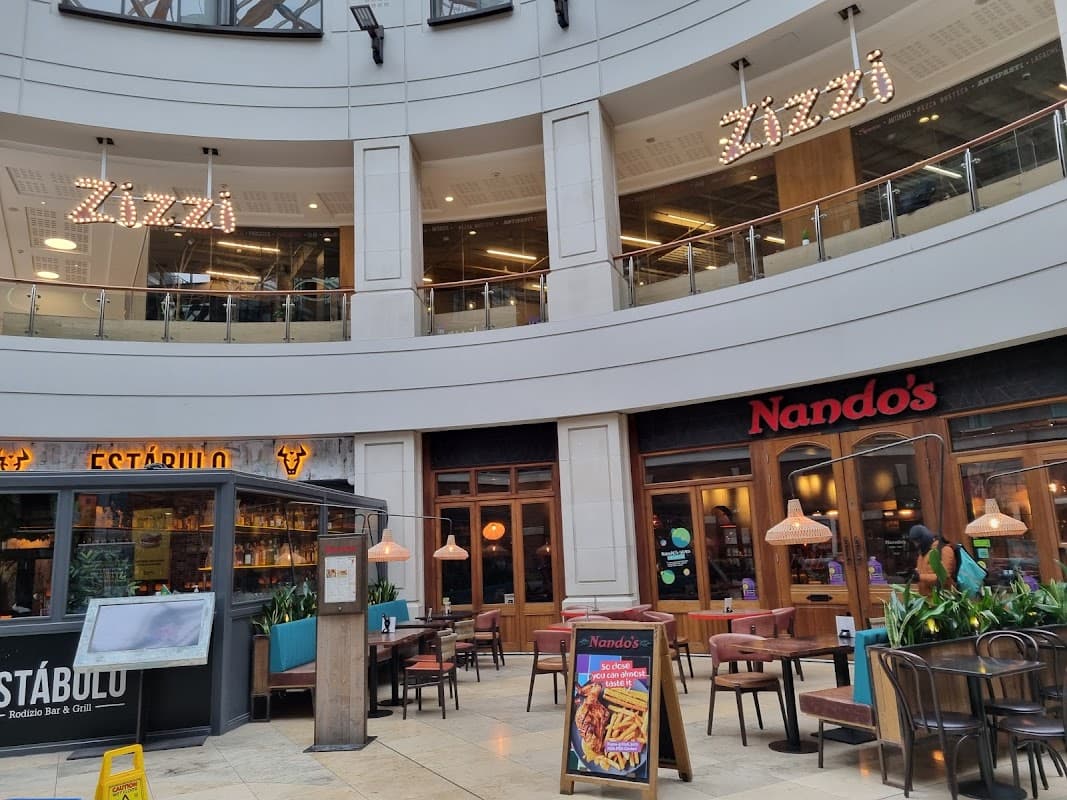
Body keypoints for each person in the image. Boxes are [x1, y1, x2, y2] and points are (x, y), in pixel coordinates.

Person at [908, 524, 955, 594]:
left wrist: (920, 577)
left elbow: (944, 578)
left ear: (923, 539)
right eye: (914, 542)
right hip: (926, 599)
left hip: (942, 599)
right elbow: (922, 572)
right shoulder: (922, 555)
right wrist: (914, 574)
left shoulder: (944, 550)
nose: (916, 545)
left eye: (917, 541)